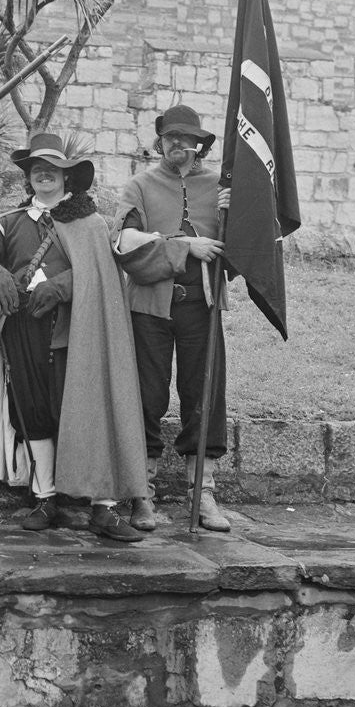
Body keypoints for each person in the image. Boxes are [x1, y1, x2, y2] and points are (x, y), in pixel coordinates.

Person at [0, 132, 152, 543]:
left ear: (67, 176)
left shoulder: (90, 224)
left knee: (88, 412)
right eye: (35, 169)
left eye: (53, 168)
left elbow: (101, 274)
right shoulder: (8, 223)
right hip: (24, 330)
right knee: (34, 411)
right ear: (29, 177)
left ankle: (103, 508)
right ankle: (46, 497)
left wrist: (62, 286)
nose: (43, 174)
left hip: (77, 333)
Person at [113, 103, 232, 532]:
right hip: (149, 304)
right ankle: (141, 494)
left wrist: (233, 215)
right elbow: (126, 243)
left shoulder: (220, 186)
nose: (177, 144)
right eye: (169, 138)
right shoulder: (140, 186)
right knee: (146, 394)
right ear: (159, 141)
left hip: (203, 303)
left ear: (199, 144)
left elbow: (236, 253)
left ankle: (203, 494)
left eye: (186, 138)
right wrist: (184, 247)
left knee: (204, 394)